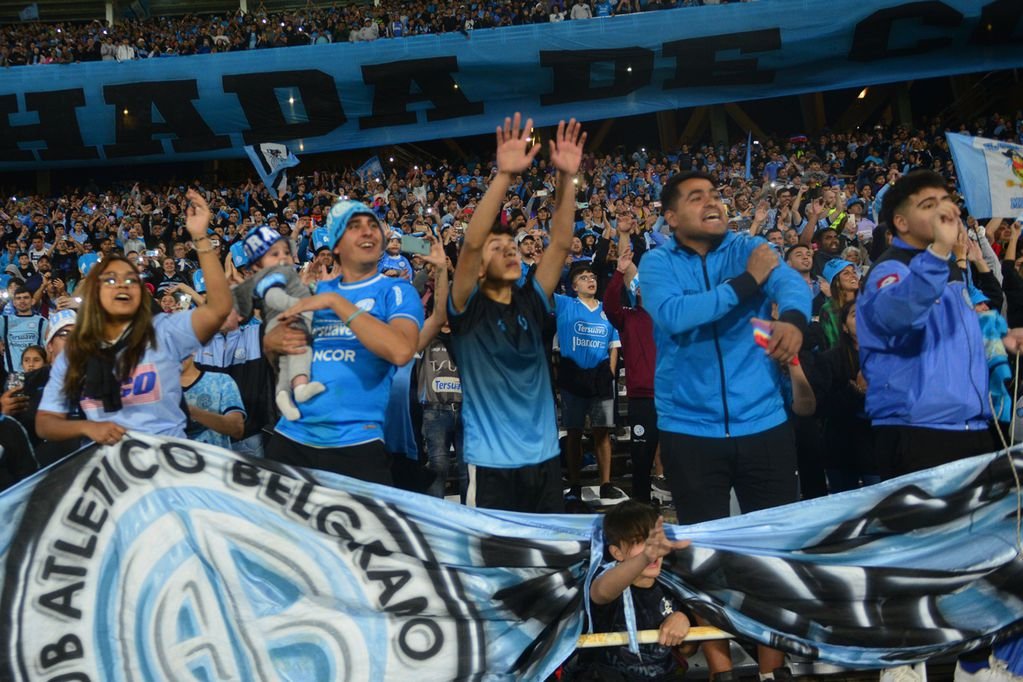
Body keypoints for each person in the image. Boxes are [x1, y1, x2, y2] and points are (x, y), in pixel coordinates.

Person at [638, 170, 810, 681]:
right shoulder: (656, 261)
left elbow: (791, 284)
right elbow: (676, 315)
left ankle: (769, 670)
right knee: (703, 562)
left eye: (715, 194)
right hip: (690, 430)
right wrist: (748, 283)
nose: (713, 202)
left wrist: (795, 322)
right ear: (671, 218)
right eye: (697, 197)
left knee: (770, 556)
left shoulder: (750, 246)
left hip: (764, 423)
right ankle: (719, 669)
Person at [449, 114, 584, 513]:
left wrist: (564, 178)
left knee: (550, 565)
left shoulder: (531, 299)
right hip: (491, 466)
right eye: (498, 248)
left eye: (512, 246)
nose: (509, 250)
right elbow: (471, 244)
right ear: (475, 266)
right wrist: (504, 176)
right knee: (499, 572)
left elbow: (560, 242)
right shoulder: (465, 309)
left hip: (544, 459)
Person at [36, 190, 232, 445]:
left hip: (168, 464)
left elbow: (218, 308)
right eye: (110, 280)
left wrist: (200, 237)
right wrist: (88, 428)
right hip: (111, 472)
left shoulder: (164, 331)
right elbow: (45, 422)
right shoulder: (78, 351)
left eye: (130, 280)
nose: (122, 285)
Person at [857, 170, 1019, 478]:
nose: (947, 209)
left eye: (946, 200)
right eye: (929, 204)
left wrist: (1004, 338)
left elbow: (949, 334)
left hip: (972, 424)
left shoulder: (951, 270)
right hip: (918, 431)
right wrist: (941, 251)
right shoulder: (889, 269)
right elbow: (899, 315)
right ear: (901, 222)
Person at [267, 199, 423, 486]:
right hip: (291, 436)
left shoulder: (396, 290)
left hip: (356, 441)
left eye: (372, 225)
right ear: (336, 245)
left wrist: (335, 301)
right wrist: (273, 341)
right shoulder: (314, 290)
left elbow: (402, 351)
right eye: (354, 227)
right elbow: (277, 351)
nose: (368, 232)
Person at [586, 501, 694, 680]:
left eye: (653, 540)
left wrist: (683, 620)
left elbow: (688, 650)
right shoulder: (608, 581)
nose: (652, 549)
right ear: (617, 553)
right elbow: (600, 592)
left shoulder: (674, 585)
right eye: (639, 541)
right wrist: (645, 557)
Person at [232, 224, 325, 421]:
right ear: (257, 265)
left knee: (286, 362)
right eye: (274, 254)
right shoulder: (269, 278)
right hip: (287, 321)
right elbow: (275, 298)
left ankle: (284, 394)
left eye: (285, 252)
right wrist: (305, 304)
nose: (283, 257)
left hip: (286, 321)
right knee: (300, 349)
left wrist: (307, 287)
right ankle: (299, 388)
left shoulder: (282, 276)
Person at [556, 261, 625, 506]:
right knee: (574, 433)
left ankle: (606, 484)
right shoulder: (565, 304)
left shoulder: (607, 310)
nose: (590, 280)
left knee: (603, 433)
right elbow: (541, 286)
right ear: (573, 286)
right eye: (584, 278)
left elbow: (614, 346)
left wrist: (611, 373)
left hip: (600, 379)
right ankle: (575, 484)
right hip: (573, 377)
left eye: (592, 276)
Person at [180, 354, 246, 449]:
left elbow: (237, 429)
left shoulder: (222, 381)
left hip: (217, 462)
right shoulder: (157, 389)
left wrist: (192, 412)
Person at [1, 286, 48, 374]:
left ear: (33, 301)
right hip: (13, 374)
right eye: (18, 298)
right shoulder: (4, 320)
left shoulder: (42, 321)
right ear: (14, 302)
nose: (22, 301)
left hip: (35, 373)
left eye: (26, 297)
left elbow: (47, 347)